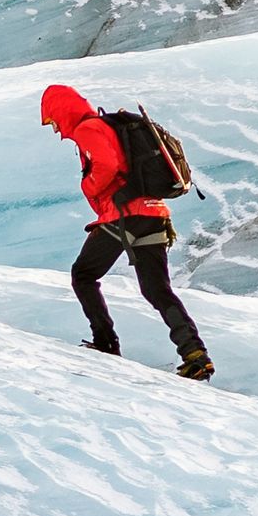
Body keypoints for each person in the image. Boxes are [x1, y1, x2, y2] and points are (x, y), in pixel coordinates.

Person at [40, 84, 212, 380]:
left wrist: (88, 185)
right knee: (157, 289)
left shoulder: (88, 129)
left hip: (125, 216)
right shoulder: (108, 126)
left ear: (62, 111)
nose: (54, 129)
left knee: (83, 275)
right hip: (154, 213)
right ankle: (195, 355)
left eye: (51, 120)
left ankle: (106, 343)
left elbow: (107, 166)